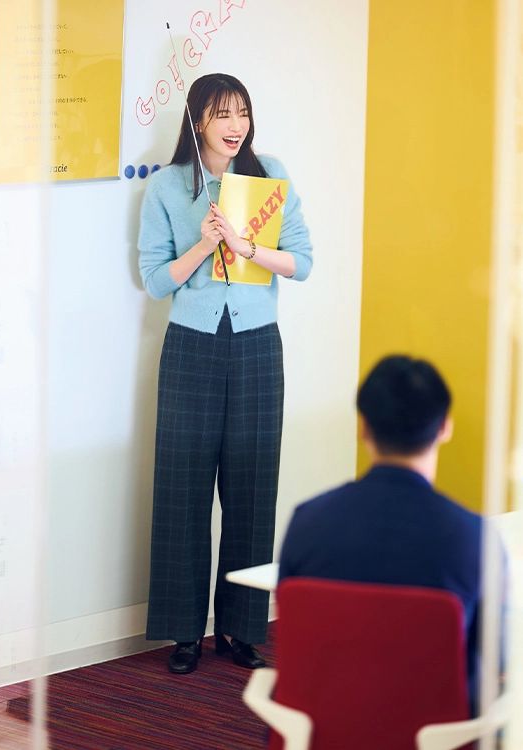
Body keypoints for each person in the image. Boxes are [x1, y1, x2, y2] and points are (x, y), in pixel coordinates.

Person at [138, 73, 312, 674]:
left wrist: (245, 248)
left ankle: (240, 630)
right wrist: (203, 244)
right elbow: (154, 280)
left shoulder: (270, 175)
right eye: (222, 115)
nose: (236, 126)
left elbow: (302, 263)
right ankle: (185, 633)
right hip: (191, 346)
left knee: (252, 489)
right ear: (197, 122)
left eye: (242, 112)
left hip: (258, 346)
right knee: (182, 489)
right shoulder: (167, 186)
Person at [279, 355, 504, 715]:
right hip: (435, 732)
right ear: (445, 427)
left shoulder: (307, 522)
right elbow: (498, 657)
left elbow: (295, 641)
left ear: (363, 427)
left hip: (322, 727)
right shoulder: (475, 538)